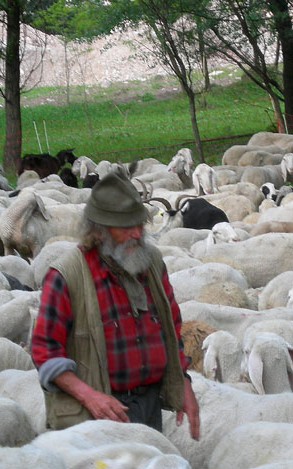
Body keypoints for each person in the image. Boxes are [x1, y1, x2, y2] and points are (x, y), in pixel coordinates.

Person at [30, 172, 200, 440]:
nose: (136, 233)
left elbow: (171, 331)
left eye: (138, 224)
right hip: (98, 414)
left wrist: (184, 384)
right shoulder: (67, 275)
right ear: (98, 231)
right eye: (124, 227)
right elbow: (44, 351)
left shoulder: (151, 263)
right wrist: (90, 396)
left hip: (150, 404)